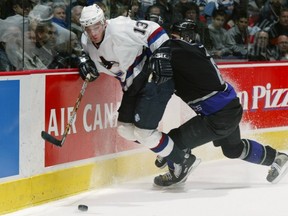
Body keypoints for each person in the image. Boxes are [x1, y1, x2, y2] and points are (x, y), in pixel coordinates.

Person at [78, 4, 288, 187]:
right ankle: (277, 158)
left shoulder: (179, 53)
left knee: (175, 143)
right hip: (229, 109)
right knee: (232, 149)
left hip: (218, 116)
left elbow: (159, 46)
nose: (174, 38)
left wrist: (165, 152)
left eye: (177, 36)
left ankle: (178, 169)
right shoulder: (188, 51)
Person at [78, 4, 196, 186]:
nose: (93, 33)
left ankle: (182, 160)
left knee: (144, 132)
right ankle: (172, 151)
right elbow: (93, 60)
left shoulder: (120, 27)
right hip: (132, 85)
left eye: (97, 26)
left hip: (154, 77)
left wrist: (163, 54)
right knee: (124, 129)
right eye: (88, 28)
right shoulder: (86, 41)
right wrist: (84, 62)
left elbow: (154, 30)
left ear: (103, 22)